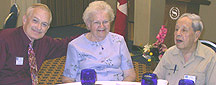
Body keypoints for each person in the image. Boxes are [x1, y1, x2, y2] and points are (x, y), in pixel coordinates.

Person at [0, 3, 76, 84]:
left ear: (48, 28)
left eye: (44, 24)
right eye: (35, 21)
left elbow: (65, 45)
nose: (39, 27)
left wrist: (88, 36)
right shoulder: (5, 39)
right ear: (25, 19)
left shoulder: (43, 42)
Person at [62, 1, 136, 83]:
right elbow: (67, 79)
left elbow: (130, 75)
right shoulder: (75, 46)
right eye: (97, 22)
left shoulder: (119, 41)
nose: (102, 26)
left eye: (105, 22)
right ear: (88, 24)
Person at [153, 13, 216, 85]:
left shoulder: (209, 57)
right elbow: (155, 80)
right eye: (176, 29)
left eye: (184, 30)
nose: (178, 33)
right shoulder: (169, 54)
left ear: (196, 35)